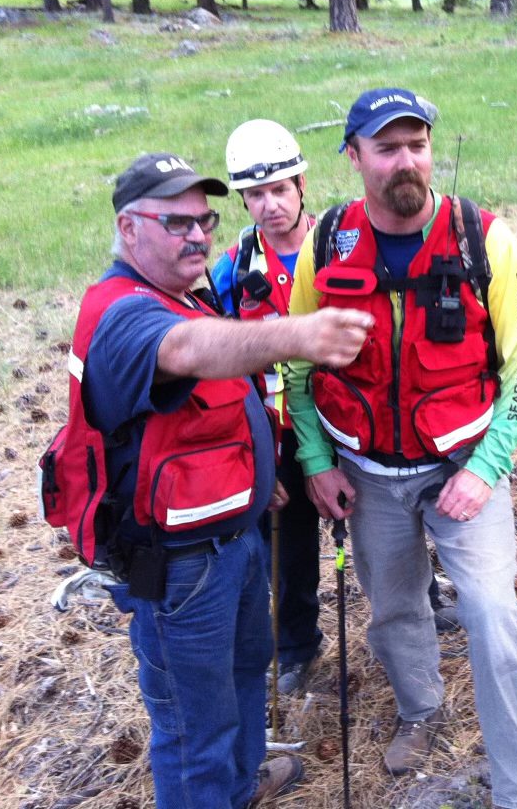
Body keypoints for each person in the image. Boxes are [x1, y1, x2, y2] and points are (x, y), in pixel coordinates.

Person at [68, 153, 371, 808]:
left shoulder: (182, 291)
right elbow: (188, 352)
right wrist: (301, 334)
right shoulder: (124, 314)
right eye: (176, 222)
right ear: (128, 227)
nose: (198, 235)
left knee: (240, 677)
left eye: (204, 219)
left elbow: (212, 406)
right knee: (191, 730)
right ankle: (214, 790)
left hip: (234, 539)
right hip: (180, 567)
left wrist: (260, 475)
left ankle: (240, 783)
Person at [284, 88, 517, 807]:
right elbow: (297, 359)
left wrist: (486, 468)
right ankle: (421, 711)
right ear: (353, 157)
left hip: (464, 466)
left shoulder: (485, 239)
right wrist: (314, 459)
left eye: (418, 144)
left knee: (495, 615)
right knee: (395, 607)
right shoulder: (325, 242)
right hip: (365, 471)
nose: (407, 161)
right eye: (387, 147)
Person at [210, 119, 324, 697]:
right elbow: (225, 361)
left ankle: (420, 605)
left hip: (348, 423)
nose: (270, 204)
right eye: (256, 194)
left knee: (388, 527)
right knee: (290, 545)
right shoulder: (233, 270)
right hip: (276, 436)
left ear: (302, 183)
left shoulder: (338, 243)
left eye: (280, 188)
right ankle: (299, 646)